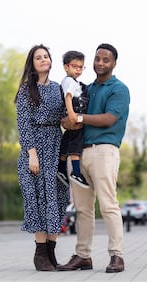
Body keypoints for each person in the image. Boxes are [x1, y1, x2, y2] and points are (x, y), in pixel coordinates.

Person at [57, 43, 130, 273]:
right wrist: (66, 120)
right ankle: (83, 256)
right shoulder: (85, 88)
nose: (100, 63)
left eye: (105, 60)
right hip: (78, 152)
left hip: (104, 151)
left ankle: (116, 255)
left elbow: (109, 119)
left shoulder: (119, 89)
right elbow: (70, 113)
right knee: (82, 209)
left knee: (108, 205)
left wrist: (78, 118)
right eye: (97, 59)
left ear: (114, 63)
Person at [15, 44, 69, 271]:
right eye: (39, 57)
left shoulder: (58, 88)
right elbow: (23, 124)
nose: (43, 59)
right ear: (32, 63)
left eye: (46, 56)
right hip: (35, 149)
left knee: (56, 197)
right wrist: (32, 154)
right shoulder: (26, 90)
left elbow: (66, 115)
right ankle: (39, 254)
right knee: (36, 199)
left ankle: (51, 251)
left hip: (56, 144)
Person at [57, 50, 90, 189]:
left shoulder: (75, 82)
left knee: (66, 142)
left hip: (73, 114)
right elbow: (68, 96)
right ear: (66, 67)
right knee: (76, 142)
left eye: (81, 67)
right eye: (74, 66)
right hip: (75, 115)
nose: (78, 69)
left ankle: (61, 169)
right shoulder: (69, 81)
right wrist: (72, 114)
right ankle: (76, 172)